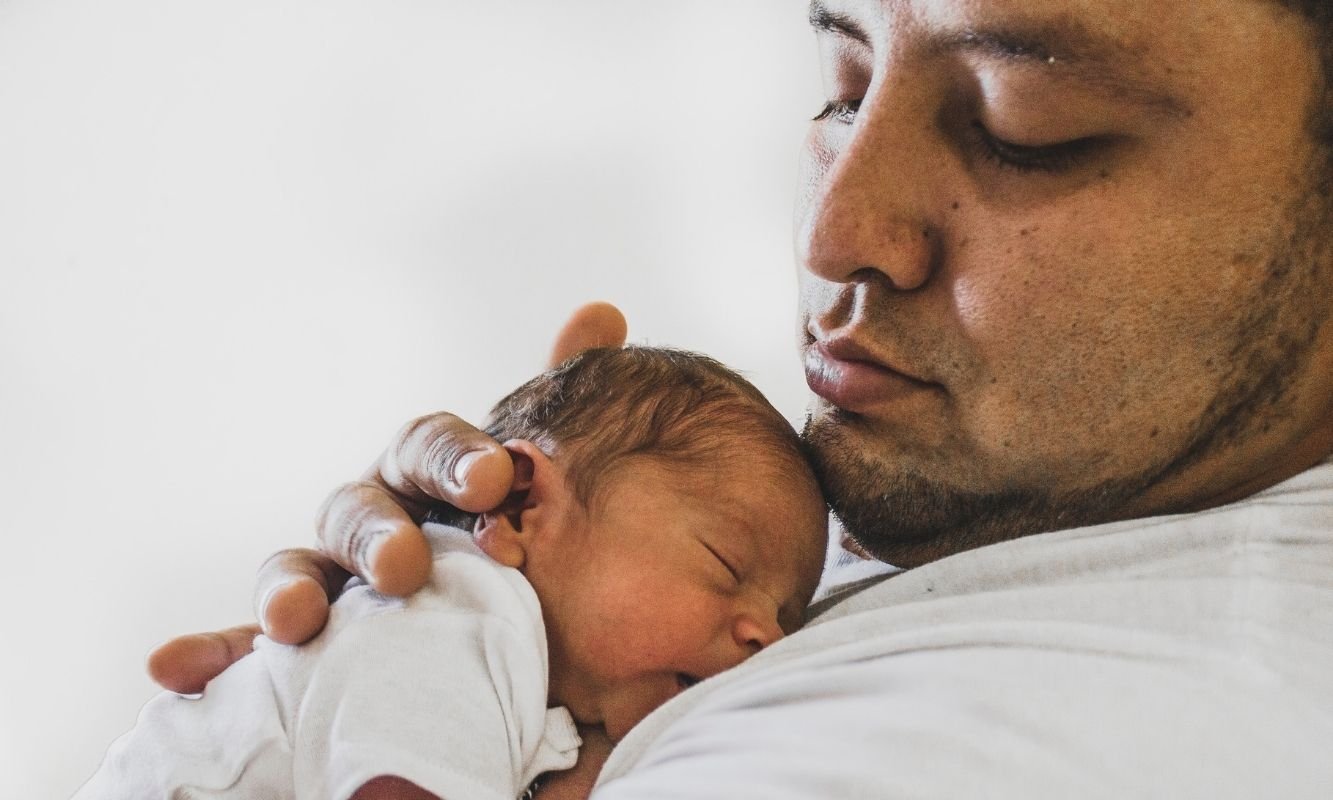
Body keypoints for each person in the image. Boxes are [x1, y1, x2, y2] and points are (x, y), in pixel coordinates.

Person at [153, 0, 1333, 797]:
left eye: (1021, 131)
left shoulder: (1035, 734)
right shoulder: (1062, 505)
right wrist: (451, 637)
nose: (834, 233)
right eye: (841, 87)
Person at [79, 347, 827, 799]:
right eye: (726, 565)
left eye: (789, 616)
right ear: (521, 505)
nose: (762, 633)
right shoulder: (456, 614)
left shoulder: (529, 672)